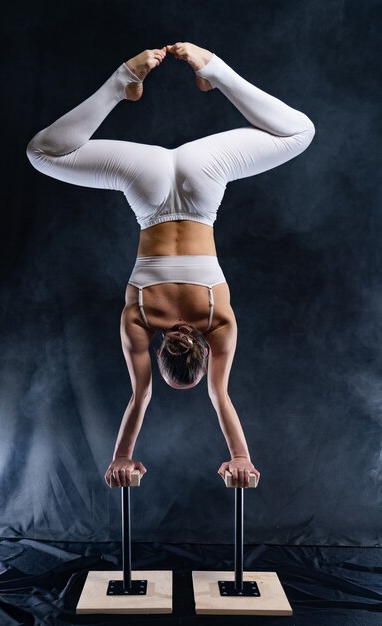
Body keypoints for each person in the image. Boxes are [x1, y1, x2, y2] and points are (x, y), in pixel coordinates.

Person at [26, 42, 315, 490]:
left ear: (201, 354)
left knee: (299, 132)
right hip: (149, 188)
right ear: (163, 353)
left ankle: (213, 71)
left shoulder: (219, 322)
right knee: (43, 153)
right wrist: (121, 458)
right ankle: (123, 81)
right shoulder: (139, 319)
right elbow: (140, 396)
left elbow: (220, 397)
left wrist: (242, 457)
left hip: (203, 181)